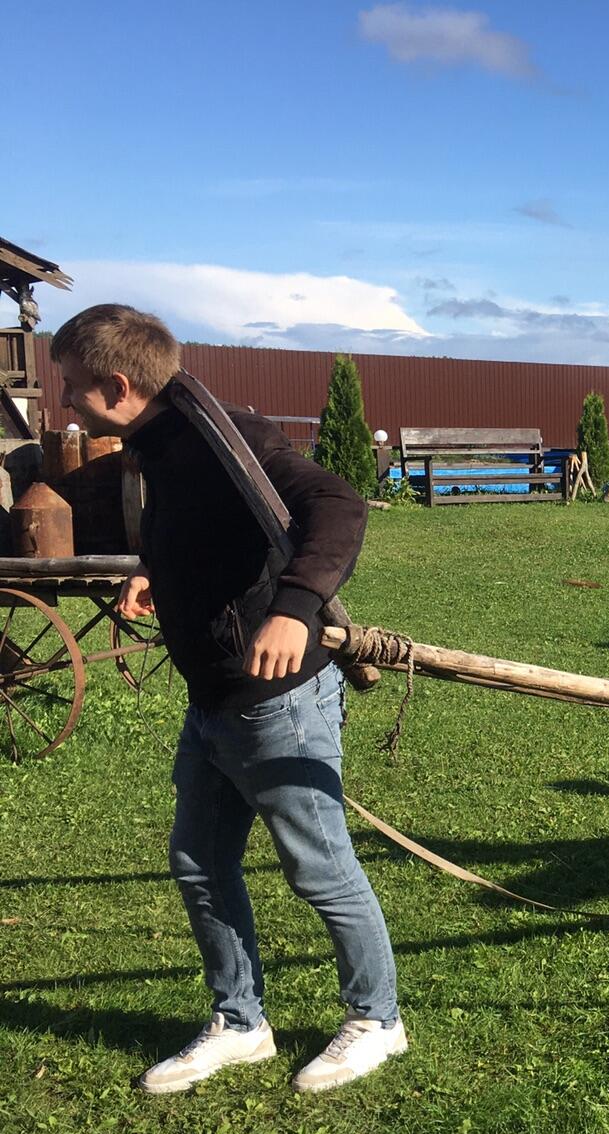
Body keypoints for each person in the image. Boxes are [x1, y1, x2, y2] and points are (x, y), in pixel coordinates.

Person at [51, 304, 405, 1094]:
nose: (63, 402)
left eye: (71, 387)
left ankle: (377, 1019)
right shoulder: (160, 439)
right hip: (212, 696)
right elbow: (208, 531)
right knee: (201, 862)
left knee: (318, 868)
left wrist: (292, 607)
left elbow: (339, 506)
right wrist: (157, 572)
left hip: (277, 698)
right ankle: (240, 1022)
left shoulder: (223, 434)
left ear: (116, 385)